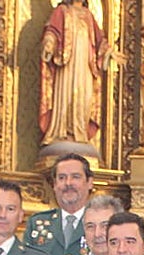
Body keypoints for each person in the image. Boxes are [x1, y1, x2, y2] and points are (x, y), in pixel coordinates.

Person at [39, 0, 110, 146]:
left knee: (84, 96)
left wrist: (109, 52)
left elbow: (100, 41)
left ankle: (80, 131)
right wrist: (49, 44)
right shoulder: (62, 11)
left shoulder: (89, 16)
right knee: (67, 96)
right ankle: (62, 131)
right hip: (67, 65)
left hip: (85, 66)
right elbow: (52, 31)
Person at [25, 154, 95, 255]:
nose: (68, 183)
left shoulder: (102, 225)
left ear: (89, 182)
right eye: (62, 178)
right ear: (54, 184)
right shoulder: (37, 224)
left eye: (75, 177)